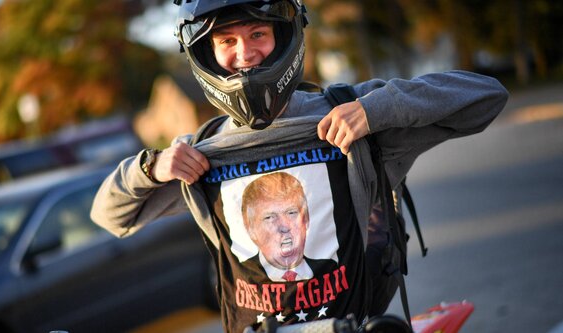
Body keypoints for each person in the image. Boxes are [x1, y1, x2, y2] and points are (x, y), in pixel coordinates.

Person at [90, 0, 509, 332]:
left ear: (285, 33)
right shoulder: (202, 154)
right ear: (206, 52)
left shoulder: (350, 117)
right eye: (226, 41)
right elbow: (109, 217)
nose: (245, 54)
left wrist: (375, 110)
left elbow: (486, 98)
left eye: (257, 33)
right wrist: (150, 168)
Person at [241, 171, 337, 282]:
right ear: (250, 229)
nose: (284, 227)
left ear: (306, 218)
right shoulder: (240, 277)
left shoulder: (331, 267)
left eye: (291, 213)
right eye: (270, 217)